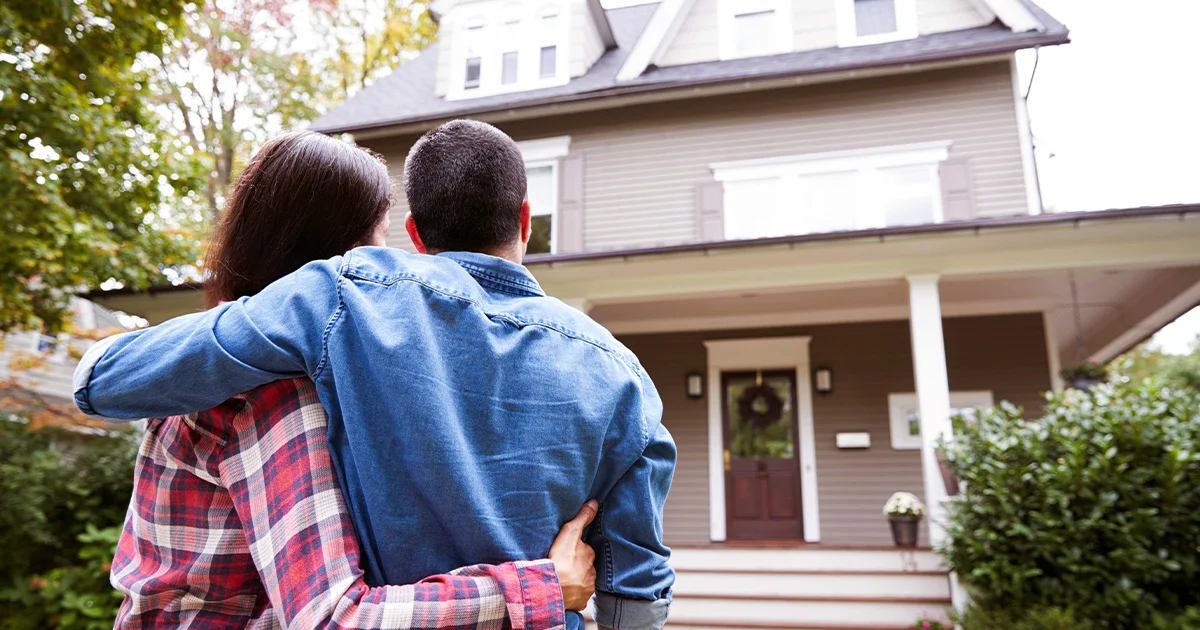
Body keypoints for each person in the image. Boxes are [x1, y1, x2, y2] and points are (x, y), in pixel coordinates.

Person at [75, 120, 676, 630]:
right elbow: (638, 579)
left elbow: (103, 382)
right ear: (526, 218)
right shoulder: (623, 374)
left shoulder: (338, 301)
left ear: (415, 234)